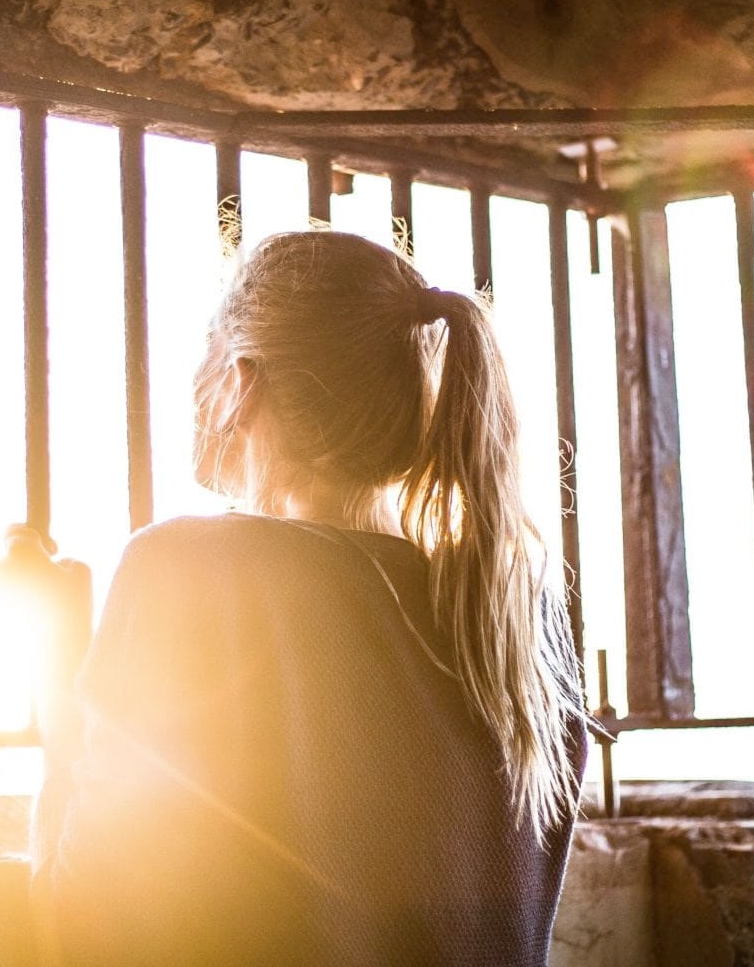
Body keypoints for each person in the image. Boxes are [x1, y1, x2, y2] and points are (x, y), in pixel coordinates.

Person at [30, 229, 587, 966]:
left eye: (207, 344)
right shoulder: (517, 614)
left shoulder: (189, 570)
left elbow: (84, 929)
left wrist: (59, 707)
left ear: (240, 381)